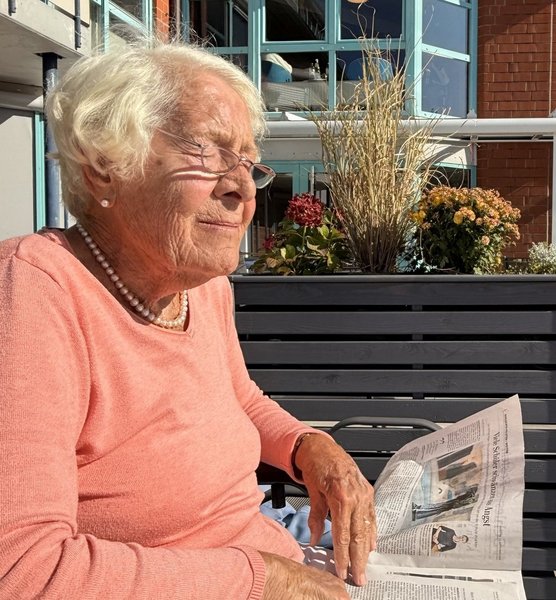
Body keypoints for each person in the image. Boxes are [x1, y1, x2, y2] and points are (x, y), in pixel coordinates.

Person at [0, 36, 376, 600]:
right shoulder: (35, 289)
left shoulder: (200, 286)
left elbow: (237, 397)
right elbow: (23, 571)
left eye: (247, 162)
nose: (242, 187)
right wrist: (265, 581)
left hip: (274, 543)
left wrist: (307, 446)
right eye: (207, 151)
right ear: (104, 167)